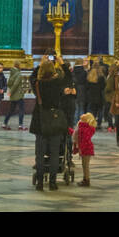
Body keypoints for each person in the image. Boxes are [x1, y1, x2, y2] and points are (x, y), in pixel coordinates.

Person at [31, 59, 67, 191]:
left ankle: (40, 182)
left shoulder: (37, 84)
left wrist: (39, 65)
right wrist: (61, 63)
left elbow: (32, 76)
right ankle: (52, 182)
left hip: (40, 121)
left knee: (40, 154)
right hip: (55, 120)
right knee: (54, 154)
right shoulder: (57, 83)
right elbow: (67, 76)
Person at [3, 62, 26, 129]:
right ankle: (20, 125)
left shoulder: (11, 74)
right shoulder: (18, 74)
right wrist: (11, 92)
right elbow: (16, 84)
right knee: (21, 110)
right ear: (18, 66)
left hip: (13, 96)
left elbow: (9, 84)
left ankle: (4, 123)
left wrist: (11, 91)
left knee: (11, 110)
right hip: (18, 95)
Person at [76, 112, 96, 188]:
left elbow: (85, 139)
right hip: (86, 149)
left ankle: (86, 180)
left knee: (85, 165)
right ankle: (85, 179)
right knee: (84, 165)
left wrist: (82, 149)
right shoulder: (83, 127)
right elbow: (77, 135)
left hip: (86, 149)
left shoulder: (85, 128)